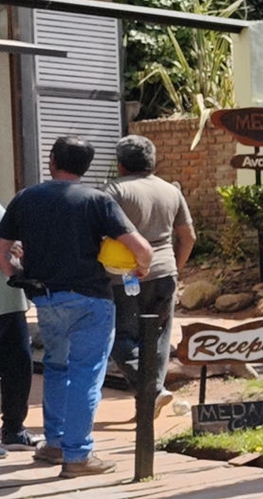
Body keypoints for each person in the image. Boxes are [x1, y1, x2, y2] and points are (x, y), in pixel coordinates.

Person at [0, 137, 153, 477]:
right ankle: (78, 455)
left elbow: (3, 249)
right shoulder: (97, 201)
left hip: (45, 299)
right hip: (90, 301)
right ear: (86, 165)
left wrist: (14, 272)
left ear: (53, 160)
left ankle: (54, 443)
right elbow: (140, 247)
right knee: (86, 374)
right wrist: (140, 267)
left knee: (56, 367)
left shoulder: (26, 198)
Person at [105, 135, 195, 415]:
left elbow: (100, 234)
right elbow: (189, 236)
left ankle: (152, 391)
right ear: (153, 161)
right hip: (165, 272)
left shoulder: (113, 191)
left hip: (125, 276)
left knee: (120, 340)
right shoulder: (171, 190)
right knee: (157, 338)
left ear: (120, 165)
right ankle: (150, 399)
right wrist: (175, 268)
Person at [0, 213, 35, 456]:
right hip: (9, 299)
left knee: (19, 366)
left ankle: (14, 429)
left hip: (10, 302)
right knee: (18, 365)